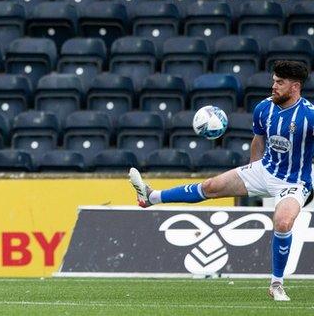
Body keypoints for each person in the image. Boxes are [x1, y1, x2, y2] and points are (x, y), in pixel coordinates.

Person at [129, 60, 313, 302]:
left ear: (295, 86)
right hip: (264, 169)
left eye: (280, 82)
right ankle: (151, 197)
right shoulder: (263, 108)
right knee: (210, 186)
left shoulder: (309, 115)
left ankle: (276, 284)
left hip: (294, 181)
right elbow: (259, 141)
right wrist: (253, 169)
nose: (274, 86)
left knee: (282, 222)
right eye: (274, 80)